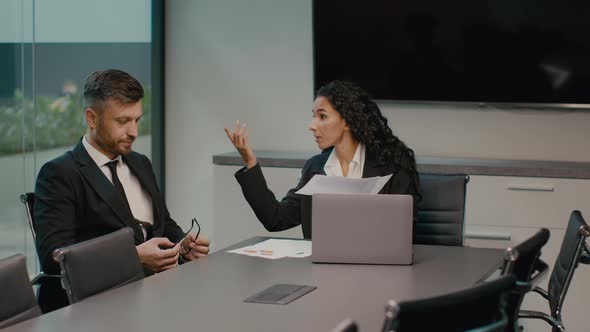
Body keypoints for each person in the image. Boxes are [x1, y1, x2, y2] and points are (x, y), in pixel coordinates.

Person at [34, 69, 210, 313]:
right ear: (92, 118)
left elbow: (164, 224)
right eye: (123, 121)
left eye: (137, 120)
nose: (134, 132)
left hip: (154, 296)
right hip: (94, 308)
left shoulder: (140, 163)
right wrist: (133, 256)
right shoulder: (59, 173)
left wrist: (183, 244)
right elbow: (56, 258)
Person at [224, 80, 420, 239]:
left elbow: (402, 232)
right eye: (313, 116)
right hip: (323, 272)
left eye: (322, 116)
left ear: (347, 121)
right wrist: (250, 162)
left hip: (378, 271)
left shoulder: (391, 164)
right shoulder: (315, 167)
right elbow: (276, 219)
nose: (312, 125)